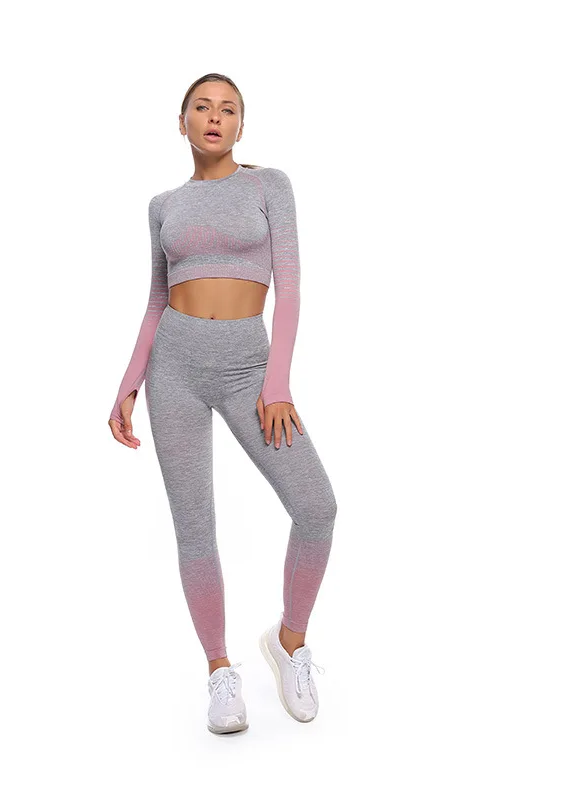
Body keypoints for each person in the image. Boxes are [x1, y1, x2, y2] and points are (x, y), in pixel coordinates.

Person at [107, 73, 337, 734]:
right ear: (181, 122)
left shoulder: (269, 186)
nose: (215, 117)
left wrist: (277, 383)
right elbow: (157, 298)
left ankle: (289, 642)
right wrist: (128, 381)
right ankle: (219, 671)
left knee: (316, 506)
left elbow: (290, 288)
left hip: (249, 367)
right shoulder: (162, 205)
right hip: (172, 368)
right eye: (202, 107)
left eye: (228, 108)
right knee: (195, 526)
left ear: (241, 125)